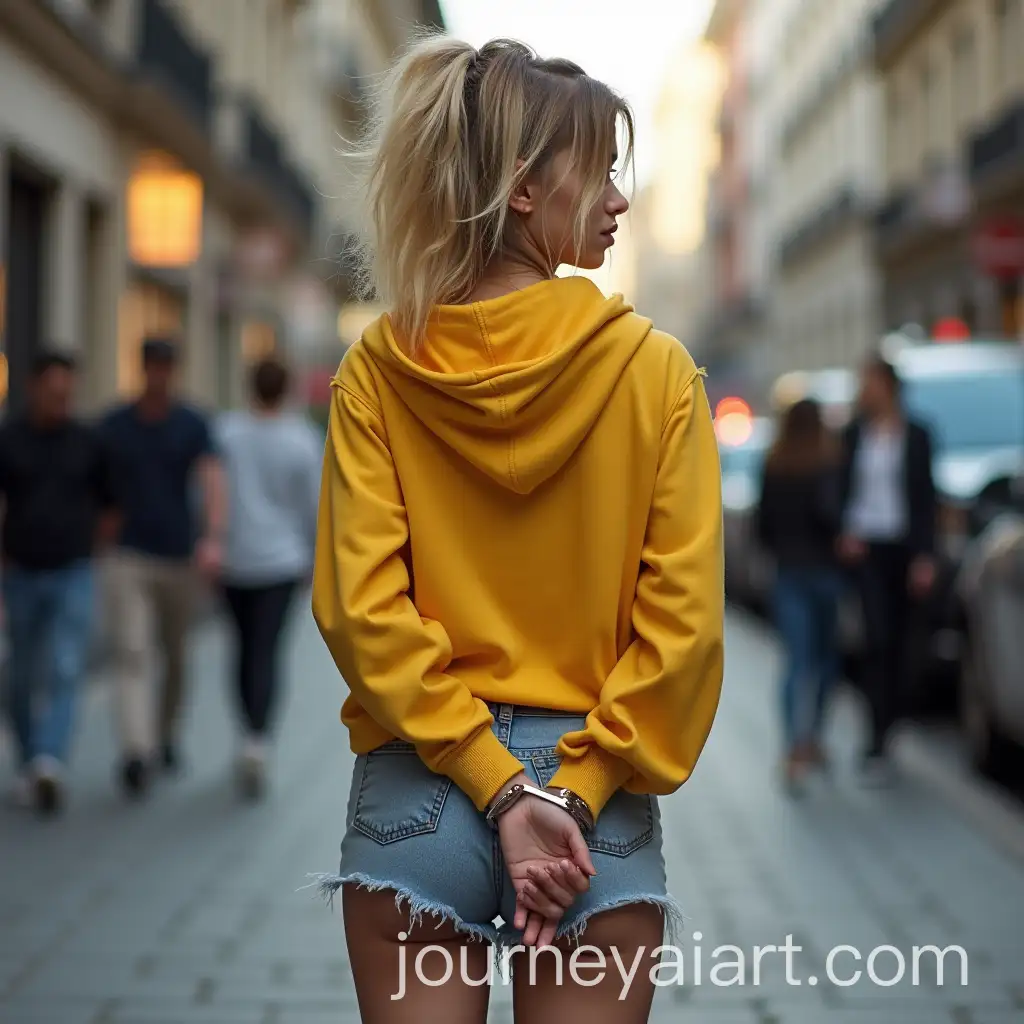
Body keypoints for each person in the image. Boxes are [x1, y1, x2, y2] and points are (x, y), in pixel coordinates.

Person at [309, 37, 725, 1022]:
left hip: (423, 788)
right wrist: (564, 794)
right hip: (594, 797)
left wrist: (496, 789)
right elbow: (683, 631)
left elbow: (361, 610)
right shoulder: (655, 373)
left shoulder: (381, 365)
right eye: (599, 169)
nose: (621, 198)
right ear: (523, 189)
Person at [99, 337, 225, 798]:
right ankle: (137, 751)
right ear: (142, 368)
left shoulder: (191, 423)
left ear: (174, 369)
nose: (159, 373)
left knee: (174, 656)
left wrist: (212, 537)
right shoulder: (115, 425)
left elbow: (212, 479)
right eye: (152, 365)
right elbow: (95, 485)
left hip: (179, 557)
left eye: (166, 366)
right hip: (128, 556)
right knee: (132, 653)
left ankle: (165, 735)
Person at [0, 350, 118, 814]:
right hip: (21, 573)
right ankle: (31, 760)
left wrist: (94, 550)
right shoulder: (10, 439)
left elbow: (111, 505)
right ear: (34, 388)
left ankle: (49, 759)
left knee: (67, 666)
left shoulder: (88, 442)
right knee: (21, 674)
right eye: (53, 390)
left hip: (72, 570)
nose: (60, 399)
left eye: (67, 391)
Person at [216, 356, 322, 799]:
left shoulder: (226, 433)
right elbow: (314, 506)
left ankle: (248, 730)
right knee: (267, 650)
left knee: (242, 648)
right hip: (282, 561)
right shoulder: (302, 439)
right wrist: (313, 561)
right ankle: (258, 737)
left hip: (234, 559)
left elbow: (209, 492)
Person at [837, 354, 937, 784]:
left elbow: (926, 497)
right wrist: (844, 529)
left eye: (871, 382)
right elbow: (839, 486)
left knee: (902, 642)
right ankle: (875, 736)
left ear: (889, 386)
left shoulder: (917, 435)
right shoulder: (853, 434)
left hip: (903, 548)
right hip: (867, 549)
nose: (865, 389)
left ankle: (892, 725)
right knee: (876, 638)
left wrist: (926, 555)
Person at [756, 399, 843, 791]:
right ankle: (815, 738)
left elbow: (763, 526)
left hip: (789, 572)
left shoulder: (775, 464)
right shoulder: (829, 464)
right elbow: (835, 518)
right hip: (826, 572)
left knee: (795, 662)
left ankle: (793, 747)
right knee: (826, 660)